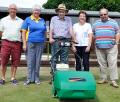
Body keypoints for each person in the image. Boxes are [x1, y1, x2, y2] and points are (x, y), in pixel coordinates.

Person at [92, 8, 120, 88]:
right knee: (102, 64)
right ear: (99, 15)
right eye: (101, 14)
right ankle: (103, 78)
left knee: (112, 63)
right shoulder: (96, 23)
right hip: (99, 47)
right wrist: (95, 42)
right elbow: (93, 34)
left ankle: (113, 80)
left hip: (111, 47)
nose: (103, 16)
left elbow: (118, 32)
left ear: (108, 14)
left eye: (105, 14)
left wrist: (116, 42)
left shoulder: (113, 22)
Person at [21, 4, 46, 85]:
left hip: (40, 43)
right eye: (35, 10)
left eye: (38, 10)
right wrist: (24, 44)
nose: (36, 12)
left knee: (38, 61)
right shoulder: (28, 19)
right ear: (32, 11)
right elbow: (23, 32)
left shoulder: (42, 20)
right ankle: (29, 79)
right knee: (30, 61)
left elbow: (44, 32)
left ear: (40, 12)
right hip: (30, 42)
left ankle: (36, 79)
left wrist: (44, 41)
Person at [0, 4, 23, 85]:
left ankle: (13, 77)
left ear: (16, 10)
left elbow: (22, 32)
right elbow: (1, 32)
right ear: (8, 10)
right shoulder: (3, 20)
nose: (13, 10)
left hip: (17, 43)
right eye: (11, 9)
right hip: (6, 42)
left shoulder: (21, 21)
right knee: (3, 61)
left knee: (15, 62)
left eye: (14, 9)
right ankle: (2, 78)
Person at [49, 3, 74, 72]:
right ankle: (53, 76)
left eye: (63, 12)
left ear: (65, 12)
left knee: (64, 58)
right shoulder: (53, 19)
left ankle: (63, 75)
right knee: (54, 58)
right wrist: (50, 38)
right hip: (56, 40)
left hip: (66, 40)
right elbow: (51, 29)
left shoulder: (69, 19)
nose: (61, 13)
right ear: (57, 12)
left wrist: (74, 39)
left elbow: (71, 30)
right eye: (60, 11)